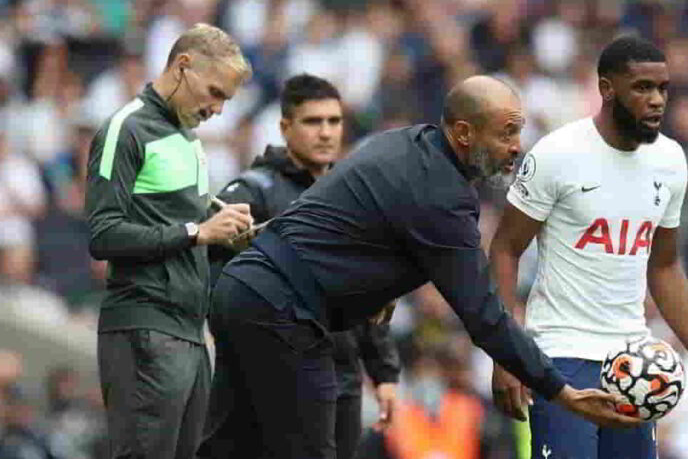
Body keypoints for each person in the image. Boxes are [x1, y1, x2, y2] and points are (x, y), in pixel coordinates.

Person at [197, 75, 640, 459]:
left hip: (244, 290)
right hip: (283, 312)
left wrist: (377, 289)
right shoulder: (444, 195)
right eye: (506, 133)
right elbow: (483, 314)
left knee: (227, 449)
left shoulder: (406, 142)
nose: (515, 147)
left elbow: (350, 224)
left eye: (518, 132)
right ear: (464, 133)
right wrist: (560, 390)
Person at [489, 35, 688, 459]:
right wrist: (505, 355)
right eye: (642, 88)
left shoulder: (670, 161)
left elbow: (664, 266)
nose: (656, 100)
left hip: (633, 364)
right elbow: (505, 249)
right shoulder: (557, 154)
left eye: (663, 89)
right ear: (606, 88)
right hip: (560, 356)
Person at [208, 73, 400, 459]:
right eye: (313, 121)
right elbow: (217, 282)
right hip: (273, 371)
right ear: (285, 127)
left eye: (334, 121)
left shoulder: (355, 195)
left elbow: (368, 287)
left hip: (343, 374)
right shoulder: (251, 194)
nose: (326, 132)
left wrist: (383, 371)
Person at [84, 23, 254, 459]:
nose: (218, 109)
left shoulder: (188, 139)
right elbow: (103, 234)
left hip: (190, 333)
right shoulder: (126, 128)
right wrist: (198, 232)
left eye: (226, 100)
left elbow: (181, 228)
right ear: (182, 65)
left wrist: (226, 233)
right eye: (214, 92)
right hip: (145, 327)